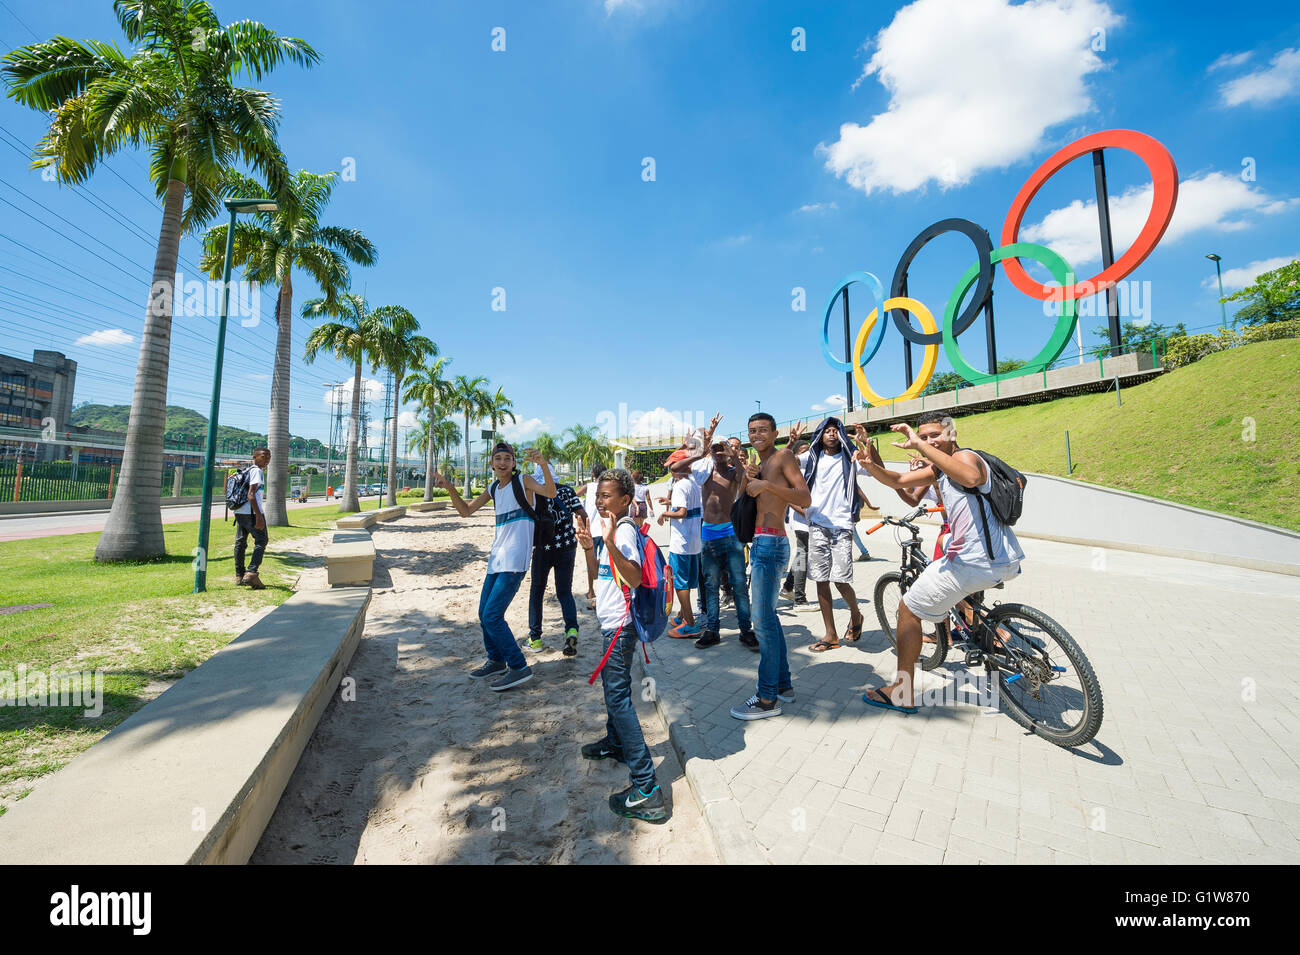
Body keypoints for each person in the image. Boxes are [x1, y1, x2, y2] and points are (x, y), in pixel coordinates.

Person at [852, 413, 1025, 713]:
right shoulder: (939, 470)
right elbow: (899, 481)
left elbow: (970, 478)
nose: (929, 441)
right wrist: (871, 466)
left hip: (973, 562)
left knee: (908, 608)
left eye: (935, 435)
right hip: (999, 559)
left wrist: (918, 444)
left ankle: (901, 692)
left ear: (952, 434)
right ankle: (978, 635)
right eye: (924, 436)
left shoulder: (966, 458)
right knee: (945, 584)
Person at [576, 467, 667, 823]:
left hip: (620, 628)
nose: (600, 501)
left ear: (625, 499)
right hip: (611, 623)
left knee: (618, 698)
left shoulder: (624, 530)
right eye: (598, 495)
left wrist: (609, 541)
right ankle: (615, 742)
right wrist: (590, 547)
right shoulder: (611, 528)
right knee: (614, 690)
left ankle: (647, 788)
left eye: (606, 496)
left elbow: (634, 576)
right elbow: (601, 577)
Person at [435, 442, 557, 691]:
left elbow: (550, 492)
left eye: (507, 458)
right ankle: (496, 660)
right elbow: (465, 511)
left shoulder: (523, 481)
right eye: (498, 458)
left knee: (492, 615)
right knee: (484, 613)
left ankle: (519, 666)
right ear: (491, 464)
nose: (502, 462)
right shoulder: (493, 488)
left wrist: (543, 464)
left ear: (513, 463)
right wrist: (450, 488)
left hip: (515, 559)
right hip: (496, 559)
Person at [729, 413, 810, 721]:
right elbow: (743, 502)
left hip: (772, 544)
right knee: (769, 618)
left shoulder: (783, 457)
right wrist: (748, 479)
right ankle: (783, 684)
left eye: (763, 429)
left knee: (761, 622)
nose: (757, 435)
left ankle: (766, 698)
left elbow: (805, 497)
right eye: (752, 430)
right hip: (762, 543)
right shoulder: (759, 464)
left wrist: (767, 485)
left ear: (775, 433)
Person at [792, 417, 870, 653]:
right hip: (817, 525)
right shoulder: (812, 457)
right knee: (821, 580)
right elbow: (787, 462)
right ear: (820, 435)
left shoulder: (851, 457)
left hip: (842, 525)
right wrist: (792, 442)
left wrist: (867, 445)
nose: (832, 434)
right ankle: (831, 634)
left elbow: (874, 467)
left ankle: (856, 615)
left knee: (841, 579)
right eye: (827, 431)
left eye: (836, 430)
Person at [657, 416, 719, 639]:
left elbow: (681, 512)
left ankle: (690, 623)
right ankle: (684, 615)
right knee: (689, 581)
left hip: (681, 542)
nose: (671, 470)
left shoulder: (681, 485)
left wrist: (665, 513)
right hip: (694, 541)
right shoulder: (694, 482)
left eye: (673, 467)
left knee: (680, 584)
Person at [696, 438, 755, 650]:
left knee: (739, 584)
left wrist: (733, 454)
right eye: (716, 449)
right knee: (711, 585)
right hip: (708, 534)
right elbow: (684, 465)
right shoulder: (704, 473)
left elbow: (743, 477)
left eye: (723, 449)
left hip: (731, 533)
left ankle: (746, 631)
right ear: (710, 452)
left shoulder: (732, 472)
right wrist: (705, 445)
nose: (719, 452)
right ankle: (712, 630)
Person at [526, 479, 586, 657]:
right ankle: (571, 630)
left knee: (537, 591)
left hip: (543, 548)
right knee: (565, 592)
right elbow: (582, 514)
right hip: (567, 546)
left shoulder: (534, 493)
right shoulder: (567, 490)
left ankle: (535, 638)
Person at [233, 446, 271, 590]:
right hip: (252, 513)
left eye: (269, 457)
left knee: (240, 543)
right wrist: (259, 516)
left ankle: (239, 575)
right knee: (262, 540)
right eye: (264, 456)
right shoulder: (257, 471)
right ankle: (251, 573)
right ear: (255, 457)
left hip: (240, 512)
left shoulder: (247, 470)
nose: (267, 459)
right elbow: (251, 495)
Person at [780, 439, 811, 606]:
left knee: (802, 554)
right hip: (801, 520)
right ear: (796, 455)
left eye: (809, 450)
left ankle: (788, 587)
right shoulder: (792, 472)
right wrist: (804, 512)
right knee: (802, 555)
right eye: (804, 451)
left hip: (810, 519)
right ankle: (799, 599)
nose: (808, 454)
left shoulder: (811, 469)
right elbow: (788, 497)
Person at [578, 464, 607, 610]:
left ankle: (591, 591)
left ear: (593, 474)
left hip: (590, 530)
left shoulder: (588, 487)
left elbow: (574, 495)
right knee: (604, 562)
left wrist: (579, 511)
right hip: (604, 529)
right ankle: (602, 592)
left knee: (590, 561)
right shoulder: (607, 487)